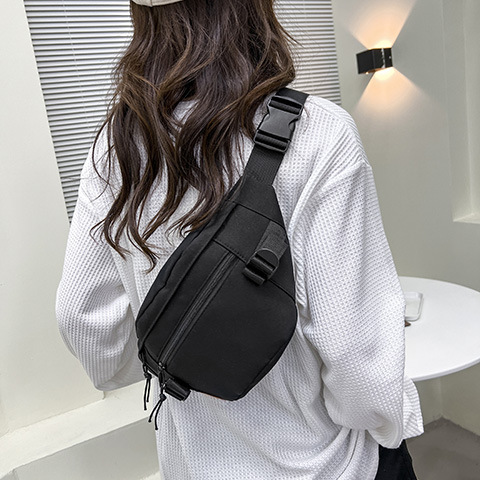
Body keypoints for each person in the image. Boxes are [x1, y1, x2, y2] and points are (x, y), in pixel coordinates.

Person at [56, 0, 424, 478]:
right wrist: (391, 427)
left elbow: (87, 328)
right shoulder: (318, 133)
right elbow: (360, 365)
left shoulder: (118, 147)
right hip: (323, 466)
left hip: (192, 466)